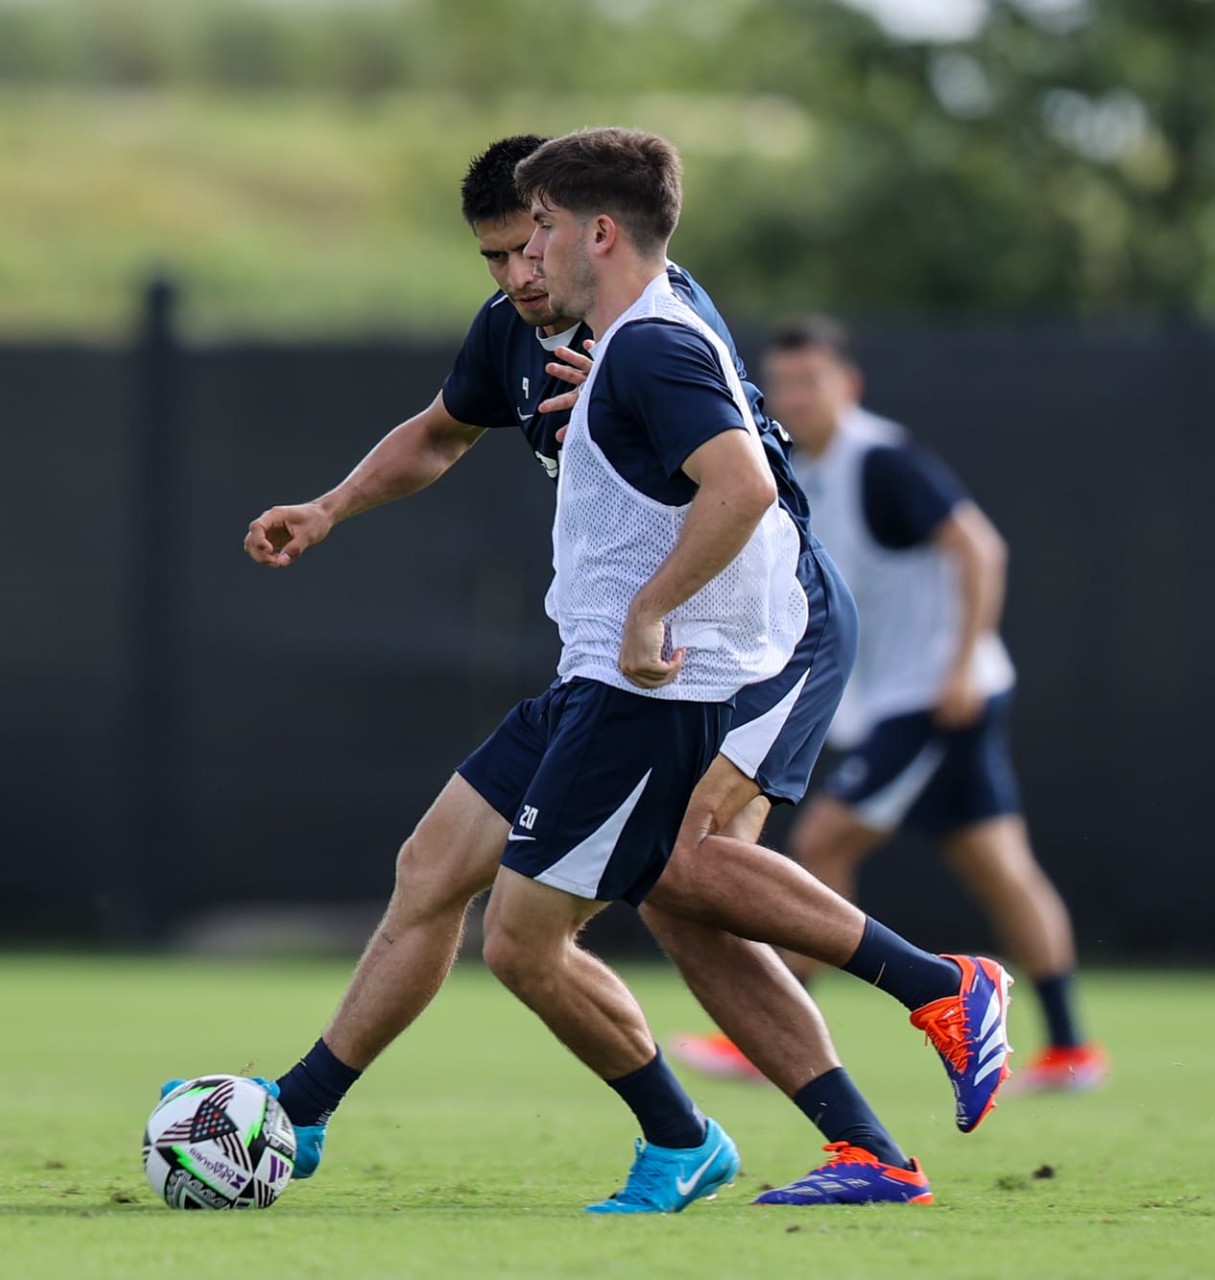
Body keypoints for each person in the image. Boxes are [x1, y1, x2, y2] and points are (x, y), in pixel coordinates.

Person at [231, 132, 1010, 1212]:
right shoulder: (523, 328)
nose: (519, 272)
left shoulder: (649, 330)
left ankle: (926, 1003)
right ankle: (307, 1109)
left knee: (663, 881)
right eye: (496, 255)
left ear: (583, 231)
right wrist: (330, 507)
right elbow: (441, 431)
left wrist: (645, 584)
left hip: (762, 630)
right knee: (440, 866)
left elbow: (734, 470)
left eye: (532, 240)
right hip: (620, 649)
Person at [676, 317, 1105, 1094]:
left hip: (935, 698)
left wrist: (960, 666)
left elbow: (981, 549)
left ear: (850, 385)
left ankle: (772, 1028)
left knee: (824, 838)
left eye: (812, 381)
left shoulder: (882, 459)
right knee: (1000, 867)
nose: (795, 397)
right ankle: (1072, 1051)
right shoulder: (798, 465)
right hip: (918, 699)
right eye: (784, 383)